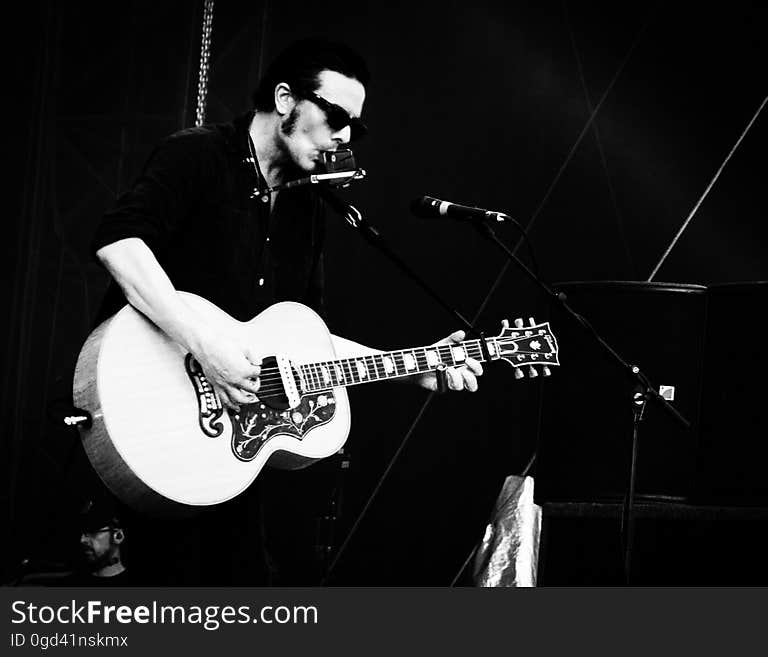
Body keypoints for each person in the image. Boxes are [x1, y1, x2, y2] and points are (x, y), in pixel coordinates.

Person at [89, 38, 482, 585]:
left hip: (224, 453)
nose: (345, 136)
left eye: (355, 127)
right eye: (336, 117)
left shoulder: (307, 208)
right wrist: (207, 347)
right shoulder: (198, 155)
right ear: (284, 99)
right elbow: (119, 244)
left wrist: (411, 363)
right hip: (144, 418)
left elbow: (305, 341)